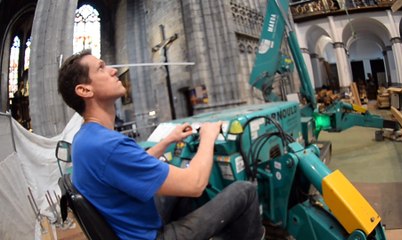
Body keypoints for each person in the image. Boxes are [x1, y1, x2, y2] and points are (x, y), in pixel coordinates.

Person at [57, 50, 264, 240]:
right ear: (84, 90)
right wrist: (209, 136)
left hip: (127, 227)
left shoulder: (86, 139)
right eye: (101, 68)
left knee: (179, 190)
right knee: (244, 191)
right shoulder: (107, 145)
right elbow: (195, 183)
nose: (113, 70)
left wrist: (167, 141)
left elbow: (130, 164)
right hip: (148, 236)